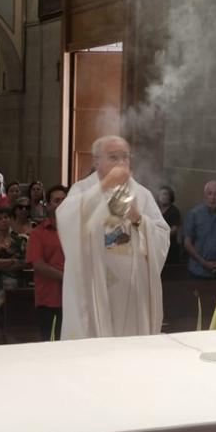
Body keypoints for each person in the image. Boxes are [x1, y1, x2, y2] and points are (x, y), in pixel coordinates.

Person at [58, 135, 170, 339]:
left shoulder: (142, 194)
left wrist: (139, 219)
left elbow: (162, 235)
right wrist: (106, 184)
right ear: (96, 161)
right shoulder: (82, 190)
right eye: (113, 157)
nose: (121, 162)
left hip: (132, 292)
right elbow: (67, 219)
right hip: (95, 289)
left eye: (125, 157)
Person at [26, 185, 68, 340]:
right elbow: (38, 265)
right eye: (57, 201)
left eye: (64, 200)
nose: (61, 204)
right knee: (51, 343)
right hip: (50, 299)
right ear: (48, 206)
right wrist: (66, 278)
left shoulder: (75, 230)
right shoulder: (38, 233)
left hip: (72, 298)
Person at [159, 186, 183, 264]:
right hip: (157, 246)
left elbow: (174, 229)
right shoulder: (156, 209)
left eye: (165, 194)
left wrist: (162, 235)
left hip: (170, 246)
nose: (163, 197)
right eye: (161, 194)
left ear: (170, 197)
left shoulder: (174, 210)